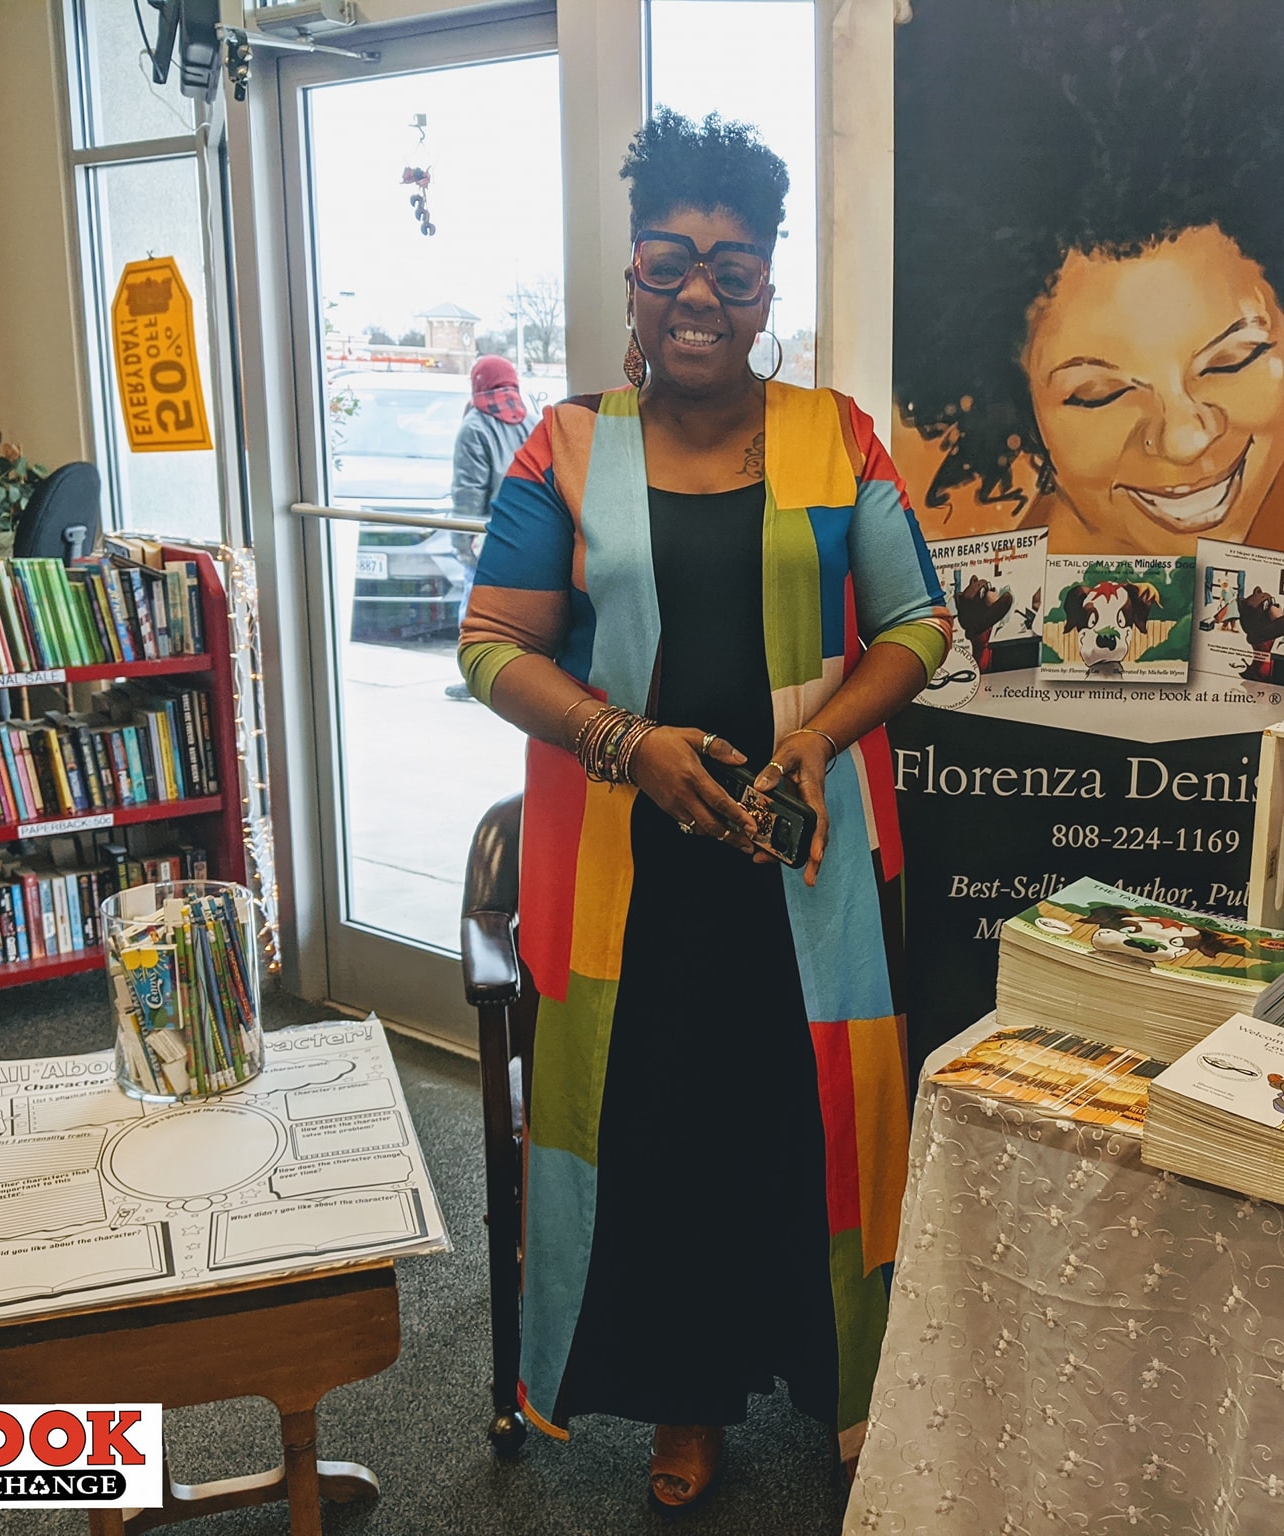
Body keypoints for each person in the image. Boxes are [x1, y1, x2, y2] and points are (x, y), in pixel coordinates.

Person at [457, 109, 950, 1509]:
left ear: (766, 288)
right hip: (635, 875)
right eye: (668, 261)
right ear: (632, 274)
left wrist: (819, 741)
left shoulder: (835, 436)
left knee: (805, 1127)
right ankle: (685, 1406)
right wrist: (625, 744)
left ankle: (830, 1378)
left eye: (732, 270)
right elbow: (490, 644)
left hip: (806, 861)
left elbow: (919, 625)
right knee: (659, 1133)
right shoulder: (566, 447)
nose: (697, 295)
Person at [894, 0, 1284, 558]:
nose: (1185, 439)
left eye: (1234, 359)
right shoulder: (1015, 605)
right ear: (1019, 401)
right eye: (1100, 394)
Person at [443, 355, 534, 701]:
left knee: (477, 612)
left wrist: (462, 543)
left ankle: (476, 676)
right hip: (529, 533)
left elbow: (468, 492)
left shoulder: (474, 427)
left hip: (486, 538)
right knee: (521, 613)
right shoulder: (532, 422)